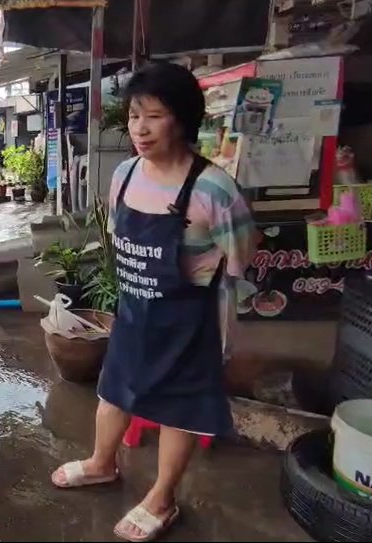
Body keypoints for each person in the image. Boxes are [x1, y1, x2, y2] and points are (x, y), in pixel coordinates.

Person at [50, 62, 256, 542]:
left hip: (187, 320)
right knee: (112, 391)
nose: (139, 129)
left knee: (176, 410)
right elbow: (122, 235)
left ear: (182, 120)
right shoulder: (124, 174)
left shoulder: (213, 188)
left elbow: (242, 254)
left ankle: (162, 501)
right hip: (134, 310)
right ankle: (103, 463)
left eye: (154, 116)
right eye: (134, 116)